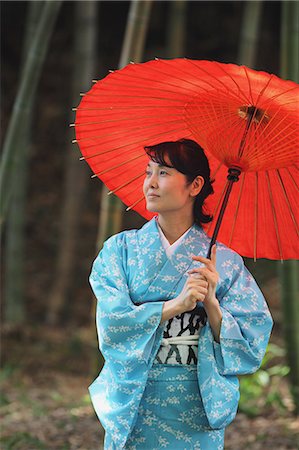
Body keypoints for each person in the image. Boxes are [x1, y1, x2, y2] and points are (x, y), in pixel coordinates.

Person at [88, 138, 273, 450]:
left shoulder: (224, 262)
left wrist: (212, 303)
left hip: (197, 406)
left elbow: (252, 342)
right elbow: (112, 324)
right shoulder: (119, 251)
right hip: (138, 399)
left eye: (163, 173)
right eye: (149, 173)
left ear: (195, 185)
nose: (150, 183)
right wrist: (176, 305)